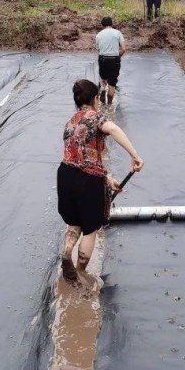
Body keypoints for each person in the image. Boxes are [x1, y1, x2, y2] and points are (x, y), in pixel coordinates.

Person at [58, 79, 144, 281]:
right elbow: (113, 130)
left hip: (64, 176)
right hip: (86, 181)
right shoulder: (95, 117)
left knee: (73, 222)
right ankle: (80, 272)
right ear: (95, 99)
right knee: (90, 228)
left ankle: (66, 252)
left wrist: (106, 179)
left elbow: (80, 158)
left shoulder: (70, 122)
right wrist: (135, 156)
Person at [95, 17, 126, 105]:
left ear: (102, 25)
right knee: (112, 83)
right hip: (114, 59)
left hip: (103, 59)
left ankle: (103, 90)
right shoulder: (118, 33)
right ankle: (109, 104)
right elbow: (123, 49)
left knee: (103, 79)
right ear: (112, 24)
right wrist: (118, 56)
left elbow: (99, 50)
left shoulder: (98, 35)